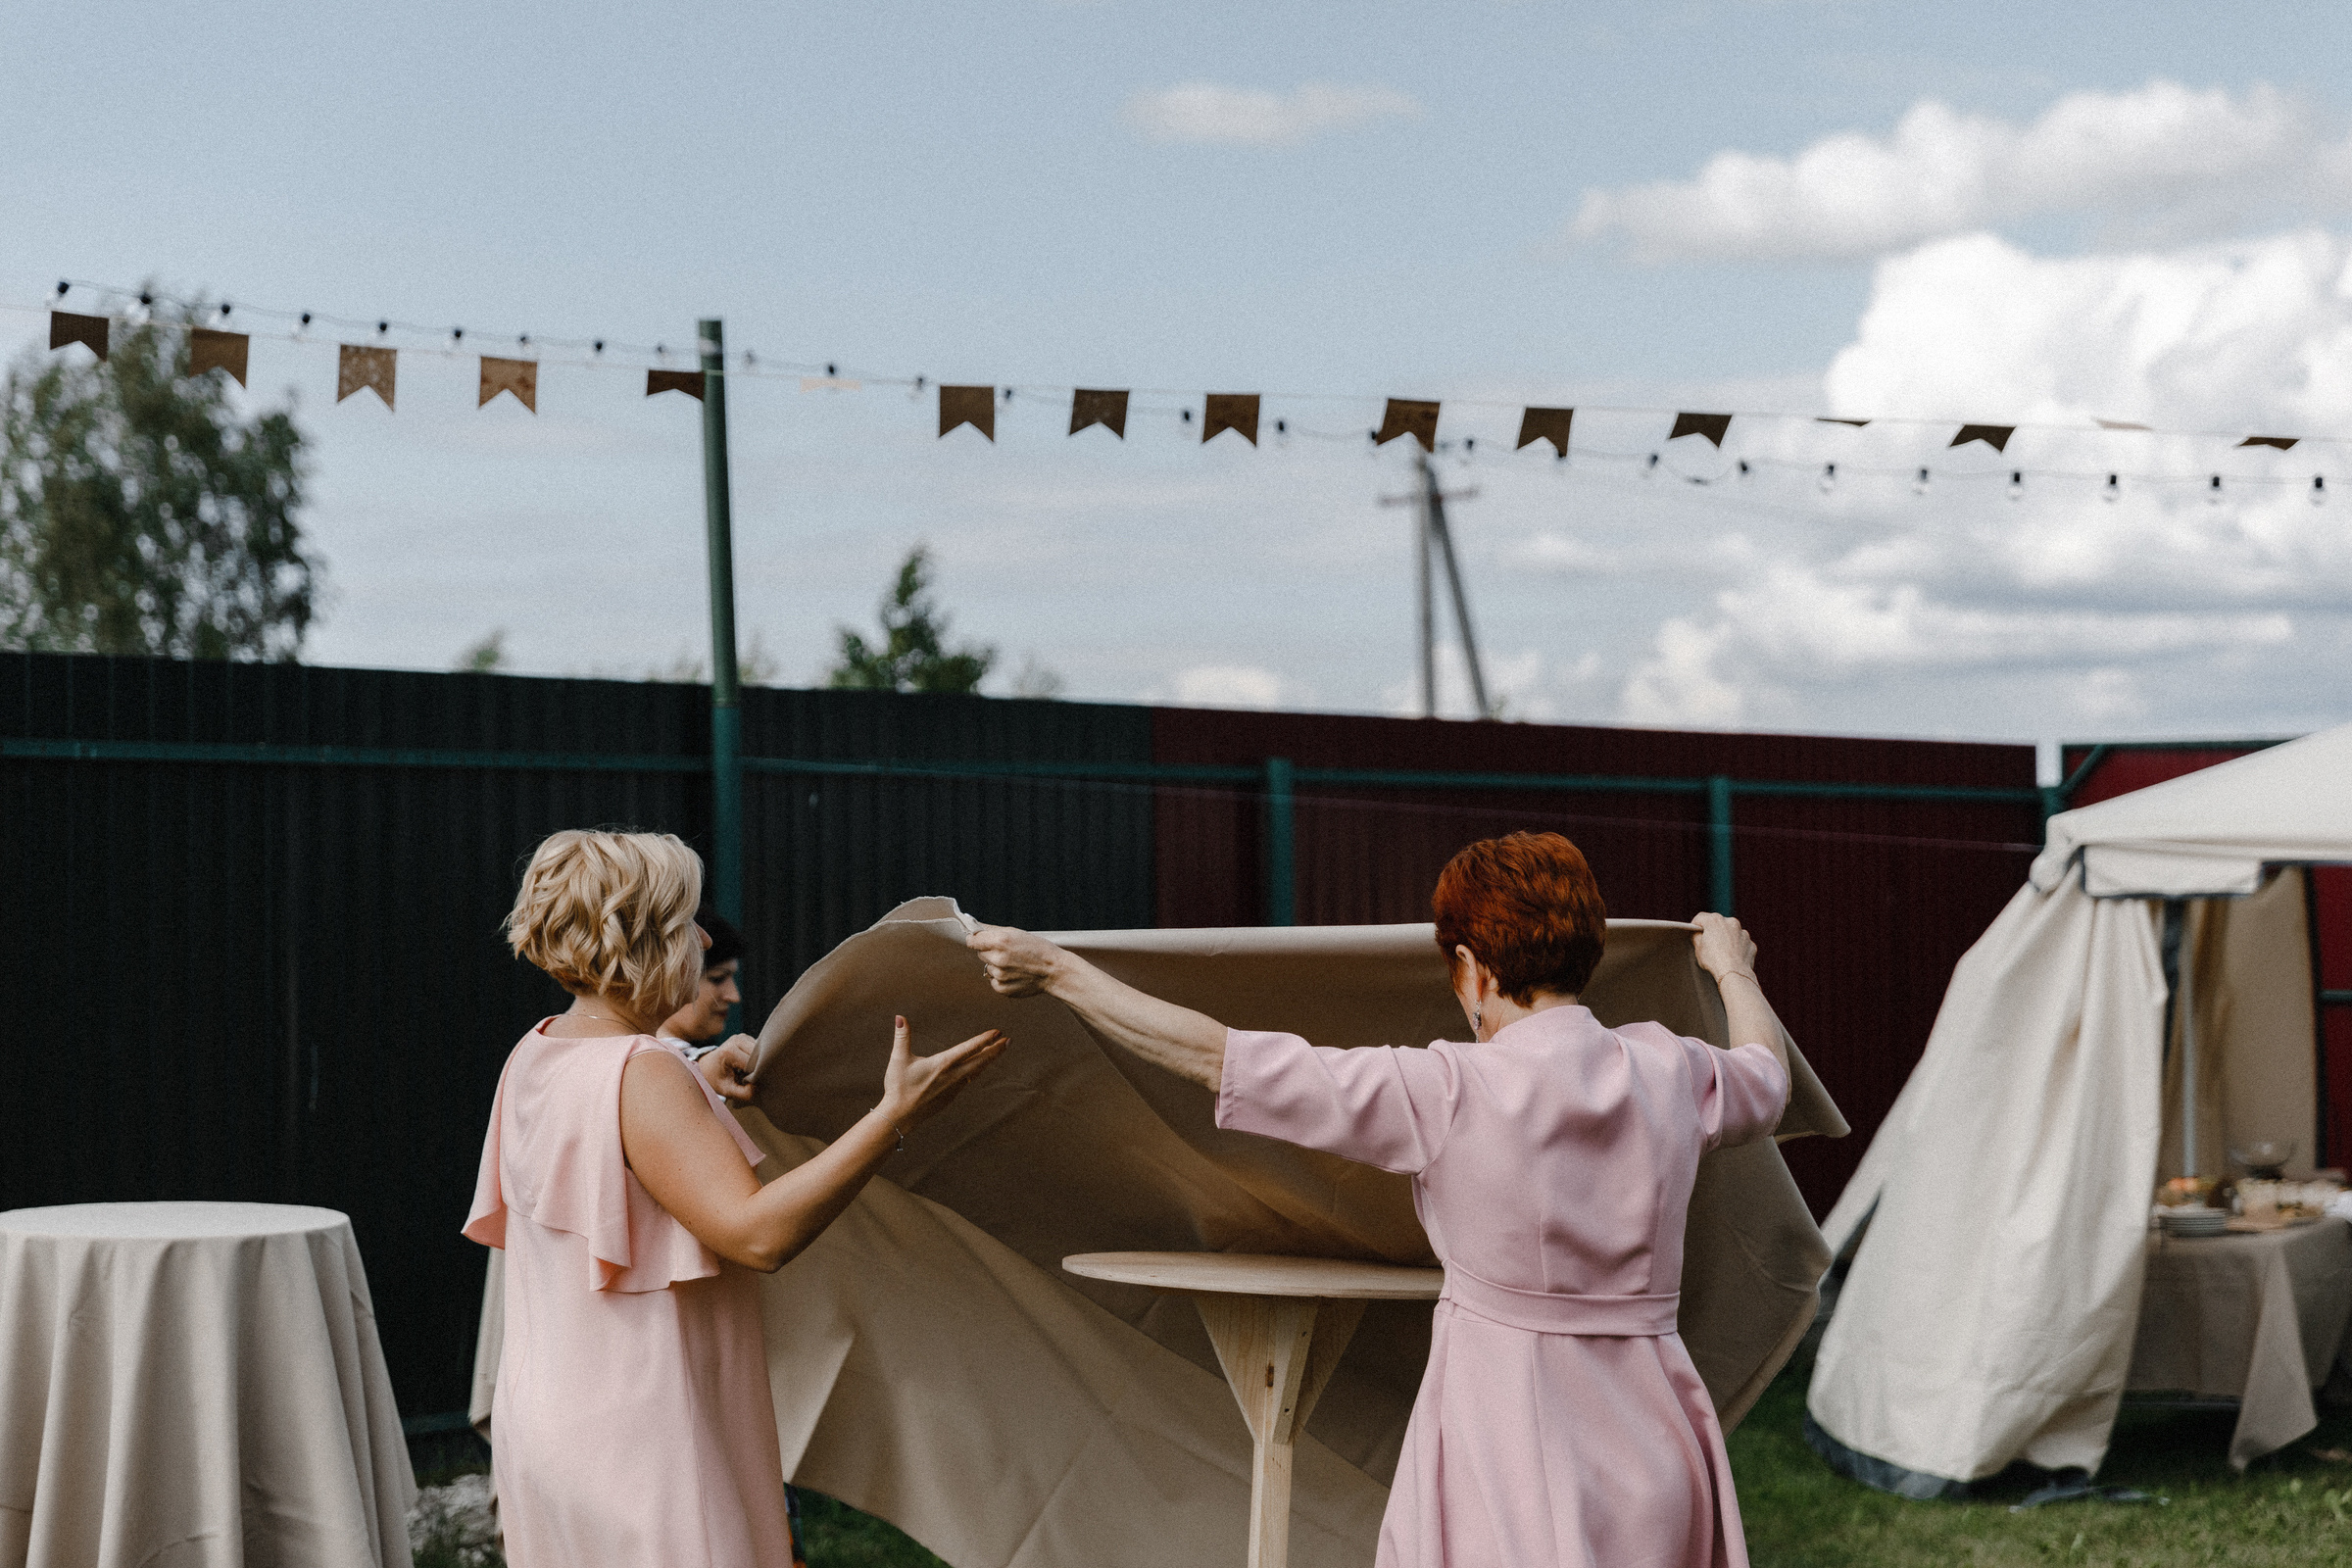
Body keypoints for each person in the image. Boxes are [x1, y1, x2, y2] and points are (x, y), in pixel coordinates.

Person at [966, 830, 1789, 1568]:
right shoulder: (1674, 1070)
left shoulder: (1447, 1088)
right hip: (1657, 1444)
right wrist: (1733, 969)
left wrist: (1059, 972)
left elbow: (1223, 1059)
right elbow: (1771, 1077)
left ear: (1471, 966)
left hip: (1512, 1447)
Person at [466, 829, 1007, 1568]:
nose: (698, 937)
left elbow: (627, 1147)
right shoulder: (642, 1071)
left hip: (557, 1431)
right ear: (647, 939)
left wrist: (700, 1080)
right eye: (686, 919)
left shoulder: (537, 1048)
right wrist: (892, 1119)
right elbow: (757, 1236)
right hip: (647, 1443)